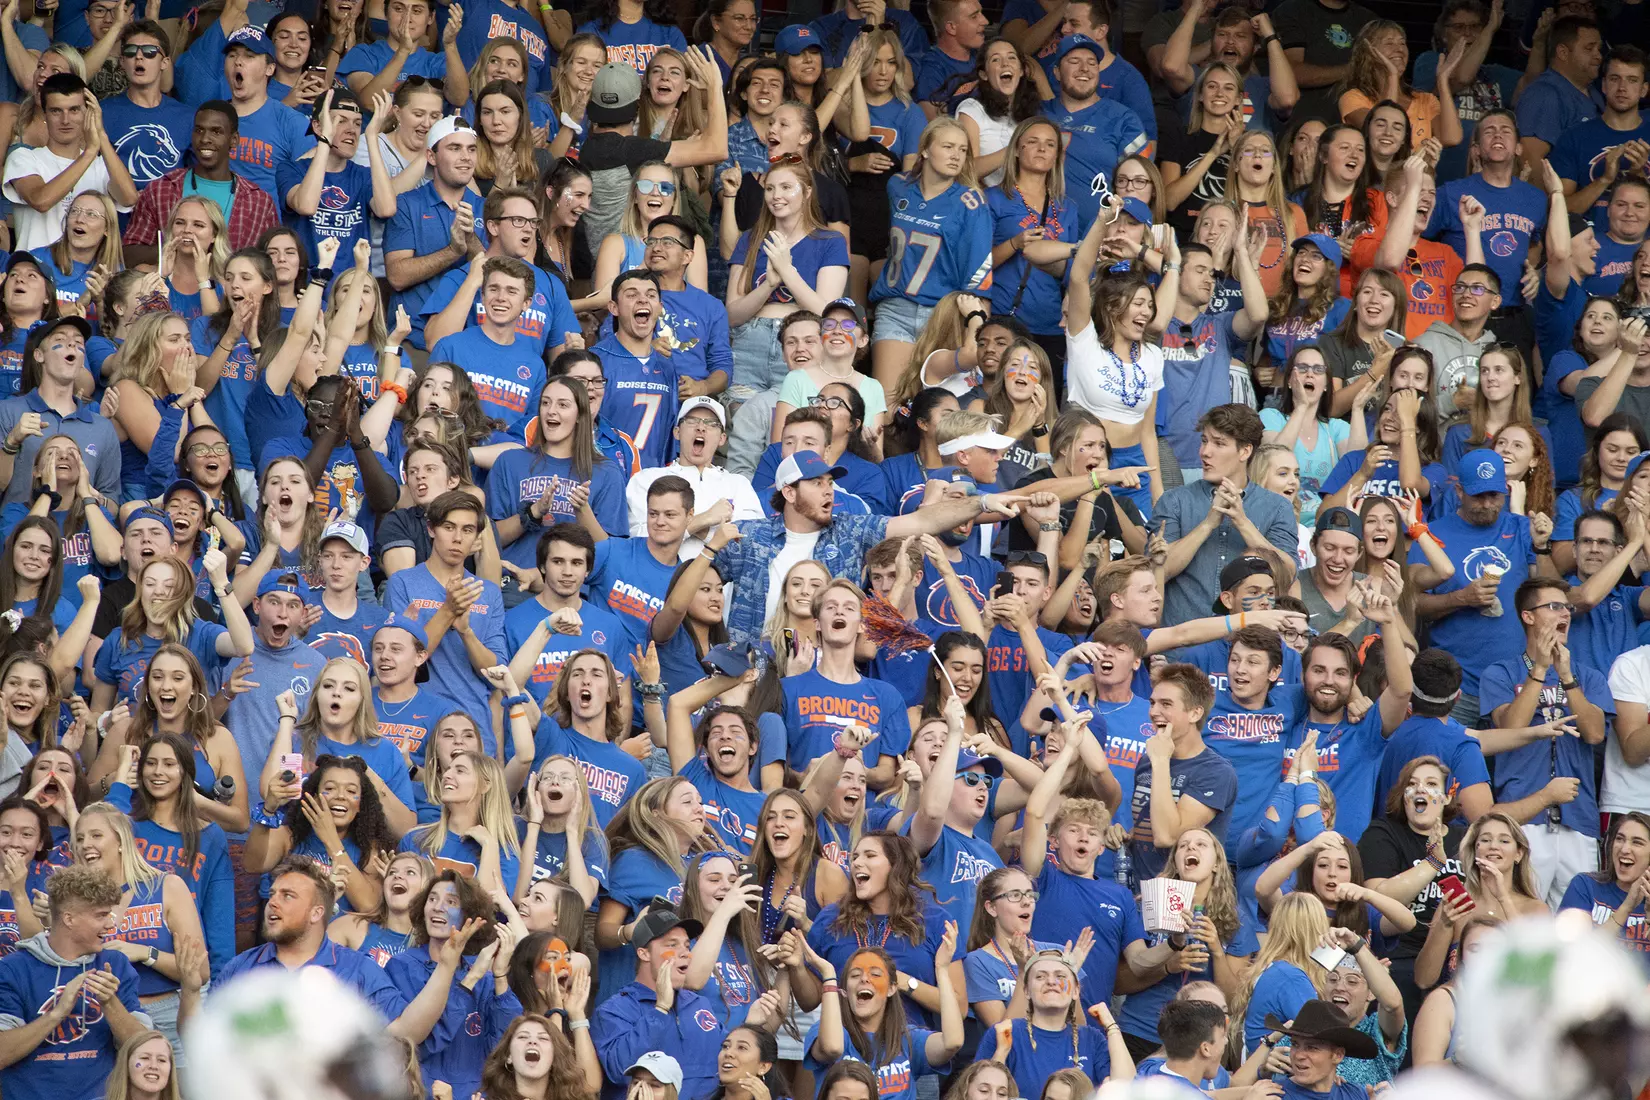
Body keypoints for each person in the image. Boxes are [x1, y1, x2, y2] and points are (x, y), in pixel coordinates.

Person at [1478, 577, 1610, 904]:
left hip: (1577, 817)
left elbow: (1595, 733)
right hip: (1523, 818)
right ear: (1528, 616)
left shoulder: (1587, 675)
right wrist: (1539, 670)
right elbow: (1510, 730)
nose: (1564, 613)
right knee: (1521, 920)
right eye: (1553, 606)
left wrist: (1566, 676)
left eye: (1566, 607)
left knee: (1578, 925)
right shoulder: (1500, 673)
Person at [0, 864, 150, 1100]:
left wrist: (110, 1003)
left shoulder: (115, 965)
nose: (111, 925)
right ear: (69, 918)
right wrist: (55, 1014)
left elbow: (145, 1048)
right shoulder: (14, 969)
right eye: (101, 915)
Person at [1158, 404, 1298, 628]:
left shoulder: (1278, 507)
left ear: (1245, 451)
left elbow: (1287, 575)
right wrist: (1207, 524)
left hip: (1249, 647)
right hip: (1181, 646)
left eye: (1219, 443)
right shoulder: (1174, 501)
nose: (1205, 452)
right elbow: (1158, 572)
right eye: (1204, 441)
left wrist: (1243, 523)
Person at [383, 491, 507, 728]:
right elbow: (400, 661)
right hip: (416, 721)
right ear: (431, 529)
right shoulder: (402, 583)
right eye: (449, 527)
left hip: (473, 723)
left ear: (477, 537)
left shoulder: (488, 593)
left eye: (468, 530)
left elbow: (497, 674)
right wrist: (448, 610)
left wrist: (466, 633)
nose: (458, 538)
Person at [2, 73, 138, 253]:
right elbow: (41, 201)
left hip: (87, 277)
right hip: (36, 273)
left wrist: (101, 135)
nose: (65, 120)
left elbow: (129, 198)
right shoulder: (24, 157)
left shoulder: (100, 164)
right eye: (56, 111)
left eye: (74, 110)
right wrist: (90, 151)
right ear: (45, 114)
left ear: (87, 112)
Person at [1127, 663, 1239, 878]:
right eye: (1152, 703)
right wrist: (1128, 835)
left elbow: (1167, 837)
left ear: (1195, 713)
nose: (1153, 712)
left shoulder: (1216, 772)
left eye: (1166, 704)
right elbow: (1150, 826)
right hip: (1140, 893)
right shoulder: (1147, 761)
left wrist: (1161, 762)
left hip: (1185, 900)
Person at [1040, 35, 1148, 234]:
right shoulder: (1037, 114)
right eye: (1074, 61)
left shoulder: (1124, 119)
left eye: (1092, 63)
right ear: (1056, 72)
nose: (1084, 69)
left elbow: (1138, 189)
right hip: (1040, 232)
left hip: (1100, 236)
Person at [1515, 16, 1603, 173]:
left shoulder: (1592, 91)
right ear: (1563, 52)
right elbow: (1530, 163)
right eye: (1589, 49)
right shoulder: (1544, 94)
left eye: (1599, 49)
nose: (1598, 56)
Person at [1265, 998, 1380, 1100]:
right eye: (1295, 1044)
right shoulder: (1273, 1095)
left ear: (1338, 1055)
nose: (1299, 1055)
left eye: (1312, 1048)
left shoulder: (1356, 1094)